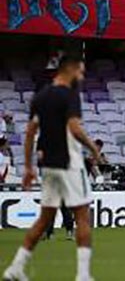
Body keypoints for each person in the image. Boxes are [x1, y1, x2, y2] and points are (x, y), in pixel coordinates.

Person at [2, 55, 100, 281]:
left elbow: (29, 132)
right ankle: (83, 275)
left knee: (45, 218)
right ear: (71, 70)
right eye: (81, 71)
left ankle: (15, 267)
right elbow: (74, 128)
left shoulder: (41, 97)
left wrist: (28, 167)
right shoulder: (69, 95)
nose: (82, 76)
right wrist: (92, 148)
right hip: (70, 163)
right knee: (82, 216)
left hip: (48, 166)